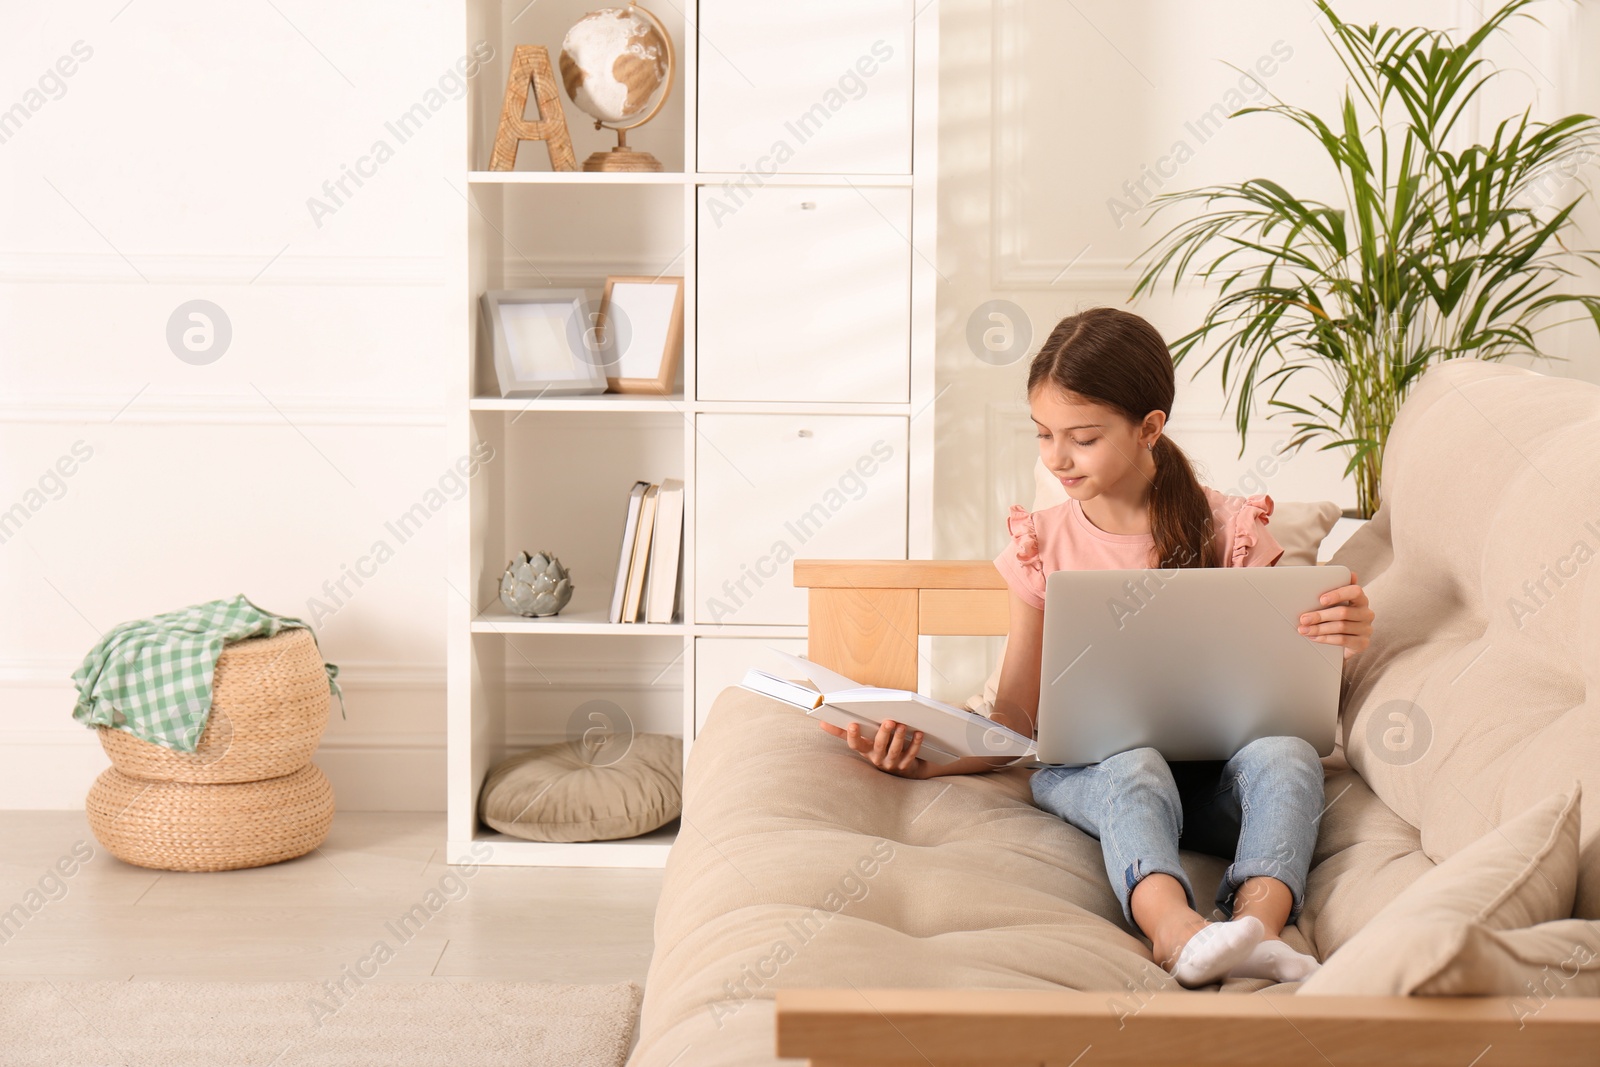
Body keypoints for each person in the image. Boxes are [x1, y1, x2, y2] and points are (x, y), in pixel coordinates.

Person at [817, 306, 1374, 988]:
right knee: (1134, 762)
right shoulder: (1044, 543)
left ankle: (1257, 926)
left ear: (1149, 428)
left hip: (1216, 781)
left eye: (1081, 437)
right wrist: (927, 762)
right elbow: (1017, 717)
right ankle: (1176, 930)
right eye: (1044, 434)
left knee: (1288, 754)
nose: (1056, 457)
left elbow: (1286, 678)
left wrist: (1341, 636)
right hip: (1097, 770)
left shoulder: (1228, 529)